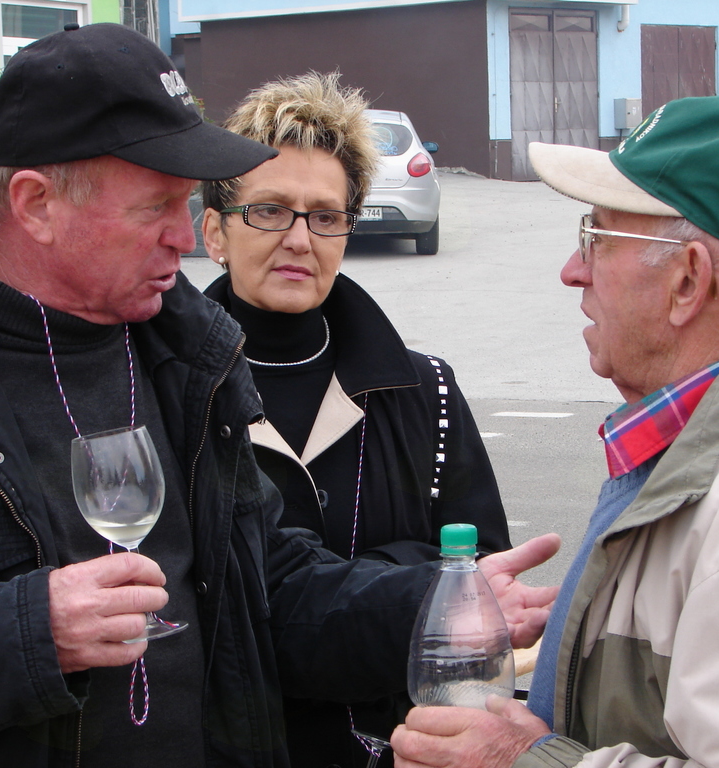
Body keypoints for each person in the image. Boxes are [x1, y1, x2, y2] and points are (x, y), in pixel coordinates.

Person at [0, 23, 560, 768]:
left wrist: (427, 606)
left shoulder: (187, 359)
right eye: (154, 208)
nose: (182, 241)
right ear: (36, 204)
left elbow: (267, 587)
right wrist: (27, 632)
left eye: (184, 207)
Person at [391, 95, 719, 768]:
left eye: (598, 237)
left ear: (687, 281)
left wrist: (522, 760)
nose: (572, 270)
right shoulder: (707, 451)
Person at [198, 72, 511, 767]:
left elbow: (482, 593)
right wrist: (404, 572)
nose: (299, 239)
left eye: (325, 215)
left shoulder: (423, 392)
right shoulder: (171, 394)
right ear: (215, 230)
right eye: (270, 211)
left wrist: (357, 586)